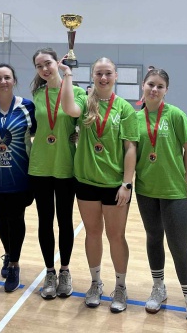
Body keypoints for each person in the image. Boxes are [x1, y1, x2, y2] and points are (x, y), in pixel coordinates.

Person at [59, 56, 139, 313]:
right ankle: (95, 283)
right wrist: (67, 74)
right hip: (86, 181)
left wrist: (127, 184)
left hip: (115, 184)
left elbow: (130, 148)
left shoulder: (124, 108)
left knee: (116, 236)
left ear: (115, 76)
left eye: (108, 73)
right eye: (98, 73)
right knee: (92, 233)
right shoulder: (85, 102)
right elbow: (68, 107)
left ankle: (121, 286)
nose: (103, 78)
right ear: (92, 76)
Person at [135, 69, 187, 333]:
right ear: (143, 85)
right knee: (154, 237)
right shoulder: (135, 118)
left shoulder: (175, 115)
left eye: (160, 86)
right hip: (145, 189)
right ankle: (158, 287)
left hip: (173, 190)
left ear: (166, 90)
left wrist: (182, 178)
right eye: (151, 84)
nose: (154, 89)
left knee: (178, 245)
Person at [28, 48, 84, 299]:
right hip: (40, 166)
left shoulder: (77, 92)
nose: (44, 69)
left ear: (57, 63)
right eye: (39, 66)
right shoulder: (36, 95)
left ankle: (65, 271)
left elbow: (82, 121)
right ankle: (49, 271)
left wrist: (78, 133)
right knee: (44, 220)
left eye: (48, 63)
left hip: (65, 165)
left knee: (64, 220)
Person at [0, 64, 36, 292]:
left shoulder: (27, 107)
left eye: (7, 77)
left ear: (14, 80)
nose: (3, 81)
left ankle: (14, 263)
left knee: (15, 218)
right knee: (1, 217)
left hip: (19, 175)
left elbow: (42, 133)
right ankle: (8, 253)